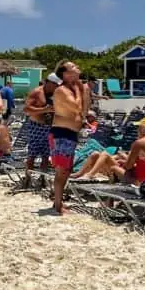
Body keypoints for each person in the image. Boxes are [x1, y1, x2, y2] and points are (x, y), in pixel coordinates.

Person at [74, 117, 145, 184]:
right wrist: (124, 158)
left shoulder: (140, 142)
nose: (137, 130)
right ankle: (79, 174)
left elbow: (128, 166)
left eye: (139, 127)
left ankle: (89, 176)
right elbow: (144, 163)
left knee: (107, 159)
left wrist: (123, 159)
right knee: (96, 154)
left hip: (140, 180)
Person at [50, 62, 85, 214]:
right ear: (66, 74)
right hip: (61, 133)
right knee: (61, 171)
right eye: (74, 67)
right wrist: (79, 89)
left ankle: (58, 201)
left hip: (69, 133)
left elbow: (83, 110)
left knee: (66, 170)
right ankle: (58, 205)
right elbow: (76, 107)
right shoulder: (62, 90)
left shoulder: (71, 89)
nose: (78, 67)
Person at [21, 74, 60, 182]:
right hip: (36, 126)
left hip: (50, 127)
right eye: (55, 85)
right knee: (32, 155)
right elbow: (26, 109)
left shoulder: (55, 93)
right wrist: (44, 110)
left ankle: (42, 178)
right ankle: (28, 178)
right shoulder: (37, 92)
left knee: (46, 155)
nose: (57, 87)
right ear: (49, 83)